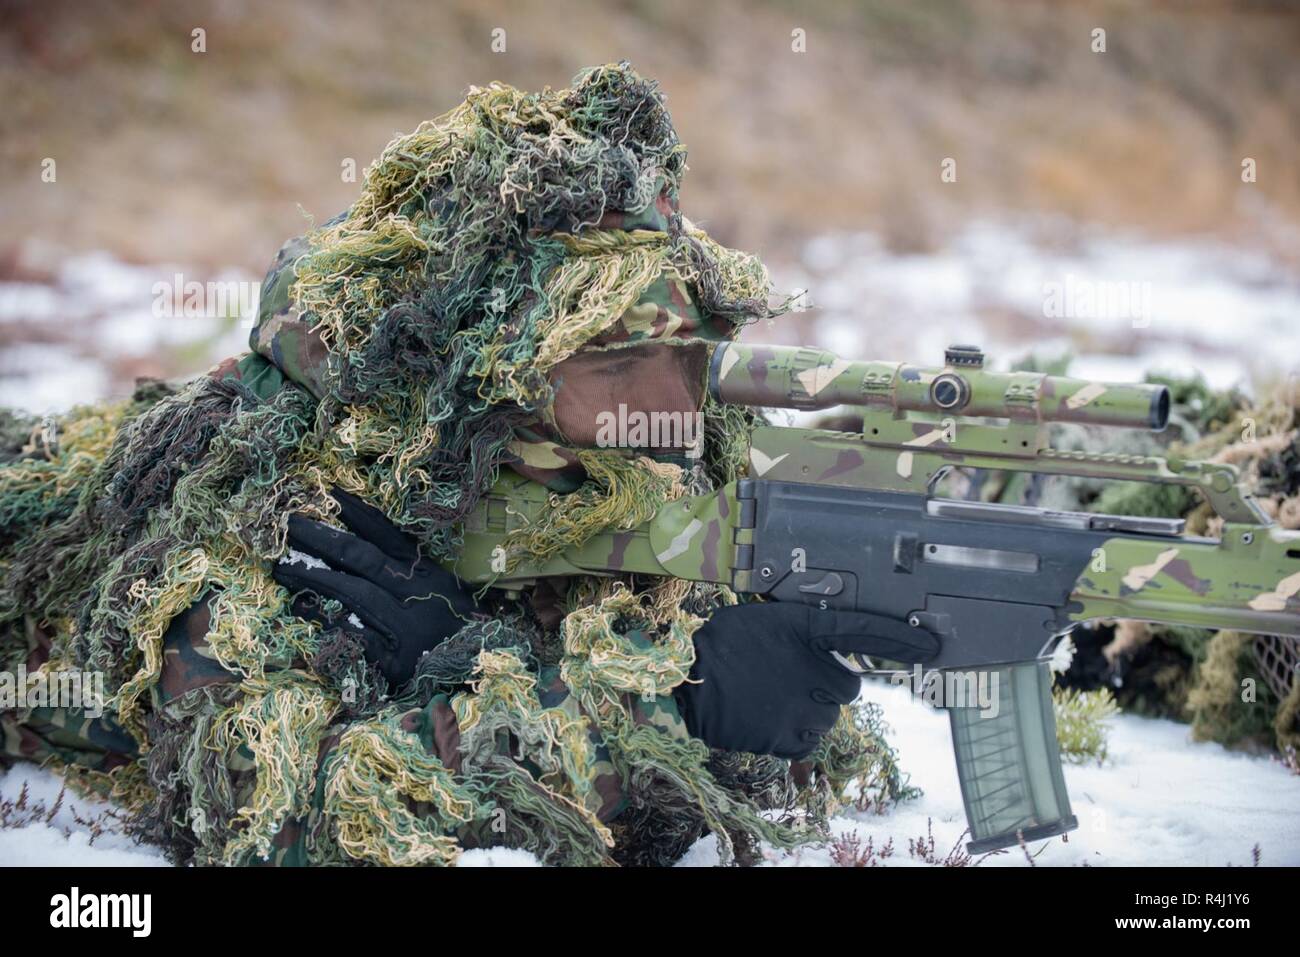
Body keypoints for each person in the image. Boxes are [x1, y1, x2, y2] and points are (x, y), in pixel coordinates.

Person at [0, 63, 934, 866]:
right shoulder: (272, 501)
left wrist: (771, 689)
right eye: (608, 368)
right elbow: (271, 812)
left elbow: (718, 720)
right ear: (483, 381)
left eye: (688, 361)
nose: (665, 416)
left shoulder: (619, 474)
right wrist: (668, 722)